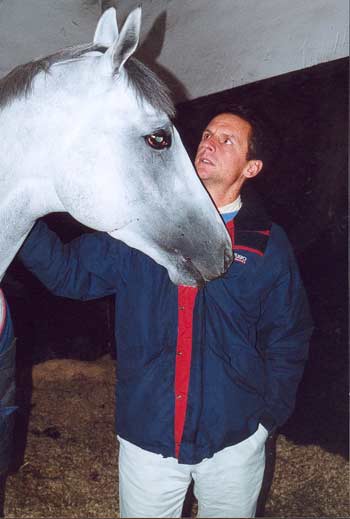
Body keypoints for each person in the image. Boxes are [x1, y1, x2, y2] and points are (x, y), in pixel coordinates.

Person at [18, 105, 313, 518]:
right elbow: (70, 273)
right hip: (148, 441)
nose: (209, 142)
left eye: (227, 140)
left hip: (233, 443)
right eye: (208, 134)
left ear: (252, 167)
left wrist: (266, 420)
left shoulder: (264, 244)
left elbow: (289, 334)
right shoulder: (143, 223)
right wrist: (15, 213)